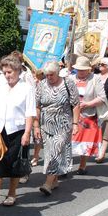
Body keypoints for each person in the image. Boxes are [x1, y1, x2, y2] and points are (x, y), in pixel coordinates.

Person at [0, 55, 35, 207]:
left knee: (15, 164)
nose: (7, 75)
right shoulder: (1, 87)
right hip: (1, 130)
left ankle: (12, 194)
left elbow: (30, 113)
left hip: (18, 130)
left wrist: (27, 133)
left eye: (9, 72)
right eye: (5, 72)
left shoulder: (26, 88)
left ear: (18, 71)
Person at [35, 61, 80, 196]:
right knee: (49, 153)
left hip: (63, 123)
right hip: (46, 124)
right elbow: (37, 105)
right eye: (46, 75)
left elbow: (76, 104)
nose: (49, 77)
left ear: (58, 72)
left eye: (51, 75)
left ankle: (47, 184)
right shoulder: (42, 84)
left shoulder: (68, 83)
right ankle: (54, 180)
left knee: (56, 150)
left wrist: (75, 124)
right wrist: (36, 125)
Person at [69, 56, 105, 174]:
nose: (81, 72)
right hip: (71, 115)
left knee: (85, 142)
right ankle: (65, 166)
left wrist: (88, 104)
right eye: (79, 69)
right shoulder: (70, 78)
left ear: (88, 69)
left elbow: (102, 97)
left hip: (88, 115)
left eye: (83, 69)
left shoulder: (95, 79)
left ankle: (82, 165)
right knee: (68, 142)